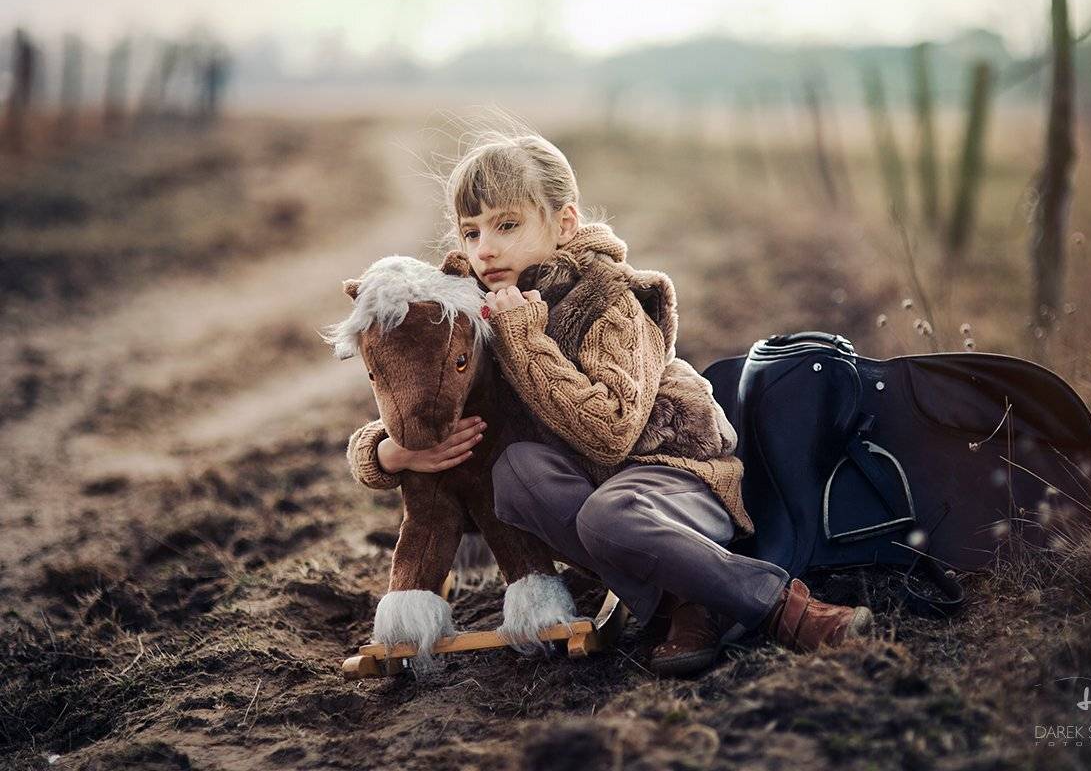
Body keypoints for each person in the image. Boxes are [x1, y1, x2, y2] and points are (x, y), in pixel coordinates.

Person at [346, 122, 872, 676]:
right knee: (516, 473)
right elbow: (418, 391)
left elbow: (612, 430)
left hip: (671, 476)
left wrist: (524, 338)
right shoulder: (478, 307)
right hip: (591, 492)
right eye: (471, 232)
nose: (487, 249)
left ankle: (784, 609)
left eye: (507, 224)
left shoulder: (613, 298)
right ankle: (683, 602)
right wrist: (392, 453)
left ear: (564, 223)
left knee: (609, 513)